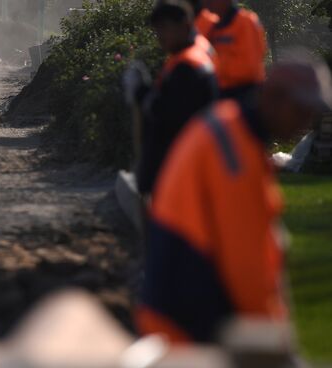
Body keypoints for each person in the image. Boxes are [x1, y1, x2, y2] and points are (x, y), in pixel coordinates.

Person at [137, 52, 332, 344]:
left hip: (190, 310)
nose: (307, 122)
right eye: (303, 110)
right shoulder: (233, 155)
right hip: (189, 328)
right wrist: (273, 343)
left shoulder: (231, 130)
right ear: (274, 98)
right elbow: (246, 265)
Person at [128, 0, 218, 197]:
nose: (159, 35)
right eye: (156, 29)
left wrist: (141, 93)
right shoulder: (188, 55)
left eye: (164, 28)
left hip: (181, 169)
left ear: (185, 26)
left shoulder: (189, 65)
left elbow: (170, 114)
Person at [203, 0, 267, 98]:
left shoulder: (246, 22)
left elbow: (250, 67)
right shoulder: (213, 26)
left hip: (246, 93)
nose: (207, 3)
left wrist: (215, 69)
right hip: (221, 92)